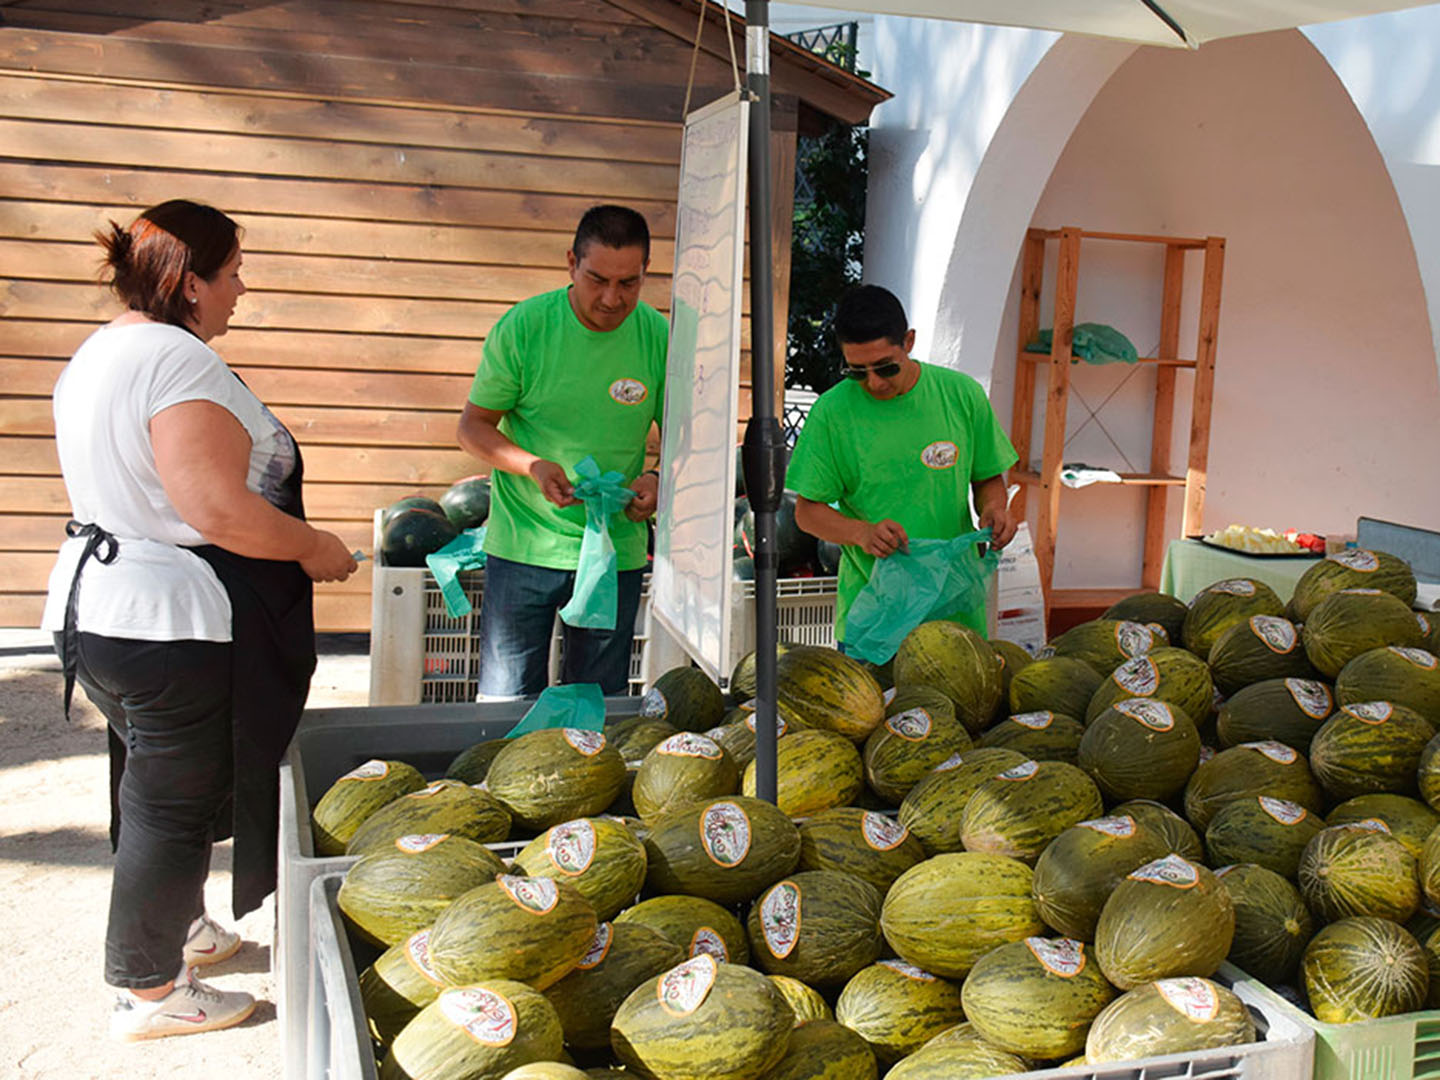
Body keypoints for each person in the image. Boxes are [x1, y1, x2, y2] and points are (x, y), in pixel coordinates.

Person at [40, 200, 357, 1040]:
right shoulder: (179, 363)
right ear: (189, 284)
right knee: (171, 805)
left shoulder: (100, 352)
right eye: (233, 272)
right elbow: (216, 508)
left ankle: (178, 929)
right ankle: (149, 990)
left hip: (94, 609)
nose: (241, 290)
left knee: (148, 778)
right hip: (160, 620)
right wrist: (312, 545)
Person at [457, 205, 667, 698]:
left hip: (614, 552)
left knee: (592, 710)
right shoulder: (525, 328)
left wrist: (659, 479)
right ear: (571, 262)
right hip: (524, 548)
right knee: (506, 705)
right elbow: (472, 427)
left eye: (628, 284)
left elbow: (687, 439)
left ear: (645, 274)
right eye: (597, 279)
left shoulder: (659, 335)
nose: (612, 298)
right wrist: (531, 466)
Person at [786, 284, 1019, 648]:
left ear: (909, 341)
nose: (874, 383)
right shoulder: (832, 413)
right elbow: (807, 512)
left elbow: (988, 477)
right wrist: (863, 533)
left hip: (955, 612)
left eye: (885, 367)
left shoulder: (961, 395)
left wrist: (994, 509)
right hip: (876, 620)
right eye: (857, 372)